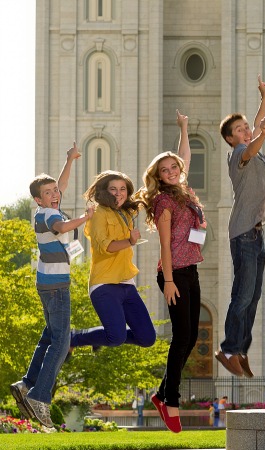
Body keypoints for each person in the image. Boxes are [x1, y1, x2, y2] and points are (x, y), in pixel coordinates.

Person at [10, 143, 94, 428]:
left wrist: (69, 159)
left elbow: (60, 185)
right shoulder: (51, 216)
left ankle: (26, 383)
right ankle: (39, 396)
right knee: (62, 342)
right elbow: (61, 228)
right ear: (38, 199)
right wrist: (86, 217)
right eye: (48, 193)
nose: (55, 194)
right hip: (57, 285)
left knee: (49, 335)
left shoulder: (42, 211)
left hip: (46, 282)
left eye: (55, 191)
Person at [139, 110, 205, 433]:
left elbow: (185, 156)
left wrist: (183, 126)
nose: (171, 171)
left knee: (191, 336)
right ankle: (171, 401)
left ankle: (161, 393)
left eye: (174, 167)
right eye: (164, 170)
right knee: (181, 337)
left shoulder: (183, 191)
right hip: (174, 272)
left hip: (191, 270)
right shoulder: (164, 202)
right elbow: (164, 246)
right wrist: (167, 281)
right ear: (159, 176)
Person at [217, 75, 265, 378]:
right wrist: (261, 134)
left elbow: (257, 124)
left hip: (256, 231)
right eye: (239, 130)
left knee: (253, 295)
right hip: (243, 233)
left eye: (246, 127)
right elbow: (250, 148)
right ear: (230, 138)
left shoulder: (250, 143)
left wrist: (264, 96)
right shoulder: (239, 152)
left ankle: (239, 349)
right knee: (242, 293)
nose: (246, 130)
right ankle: (227, 348)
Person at [68, 171, 157, 351]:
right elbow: (105, 247)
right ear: (105, 191)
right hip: (104, 284)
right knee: (116, 337)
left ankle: (99, 337)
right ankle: (74, 338)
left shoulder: (125, 212)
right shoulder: (99, 213)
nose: (119, 193)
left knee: (147, 338)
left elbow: (148, 192)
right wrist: (130, 241)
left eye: (123, 189)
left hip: (127, 284)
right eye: (113, 189)